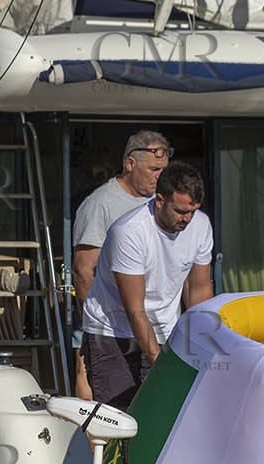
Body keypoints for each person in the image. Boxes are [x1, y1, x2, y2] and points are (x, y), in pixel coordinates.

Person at [80, 163, 214, 409]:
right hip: (112, 333)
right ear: (160, 200)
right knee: (119, 418)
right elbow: (135, 310)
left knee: (162, 414)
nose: (187, 219)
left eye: (193, 211)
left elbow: (199, 290)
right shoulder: (129, 231)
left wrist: (204, 346)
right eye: (181, 211)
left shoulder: (201, 225)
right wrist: (162, 365)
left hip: (164, 329)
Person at [70, 131, 171, 398]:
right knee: (112, 403)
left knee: (152, 399)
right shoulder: (100, 204)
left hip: (154, 324)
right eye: (153, 169)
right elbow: (84, 270)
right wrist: (92, 326)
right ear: (130, 164)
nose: (159, 176)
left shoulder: (161, 204)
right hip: (110, 327)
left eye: (163, 170)